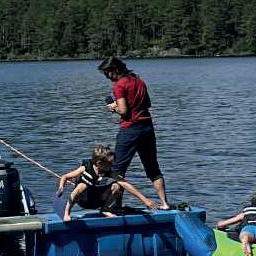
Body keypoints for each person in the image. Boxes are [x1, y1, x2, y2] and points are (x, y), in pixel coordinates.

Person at [99, 57, 170, 210]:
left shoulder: (119, 85)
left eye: (107, 73)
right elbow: (148, 103)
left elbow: (124, 111)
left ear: (115, 70)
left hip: (130, 129)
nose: (107, 77)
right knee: (152, 168)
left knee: (117, 170)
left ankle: (114, 207)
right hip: (147, 127)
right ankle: (165, 204)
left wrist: (114, 108)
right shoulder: (139, 81)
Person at [55, 145, 159, 222]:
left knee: (117, 185)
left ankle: (105, 209)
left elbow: (126, 184)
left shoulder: (108, 171)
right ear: (99, 163)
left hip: (96, 201)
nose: (112, 165)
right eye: (110, 164)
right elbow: (65, 177)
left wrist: (145, 200)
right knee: (81, 186)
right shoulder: (85, 168)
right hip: (83, 200)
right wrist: (61, 188)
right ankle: (66, 213)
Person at [215, 192, 256, 256]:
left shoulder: (247, 210)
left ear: (252, 201)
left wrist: (221, 224)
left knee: (245, 234)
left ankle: (245, 240)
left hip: (248, 226)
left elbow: (221, 224)